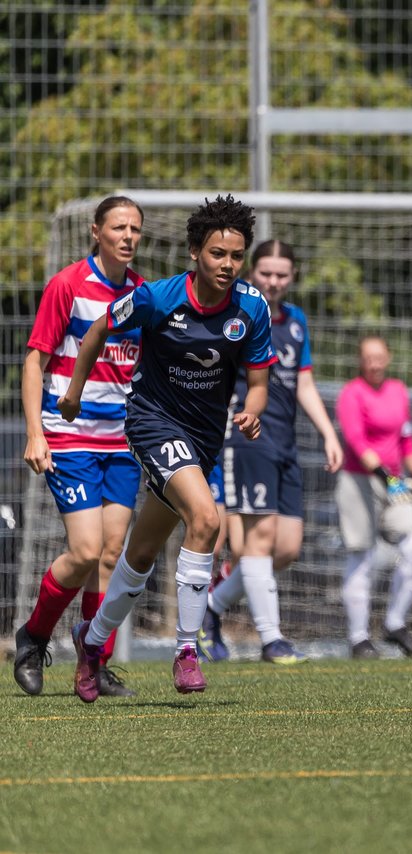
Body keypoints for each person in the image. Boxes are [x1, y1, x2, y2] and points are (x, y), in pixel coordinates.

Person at [58, 194, 275, 703]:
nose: (228, 265)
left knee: (141, 551)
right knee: (206, 519)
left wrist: (254, 409)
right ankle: (187, 650)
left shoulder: (252, 308)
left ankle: (90, 644)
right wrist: (74, 392)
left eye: (236, 256)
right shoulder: (159, 297)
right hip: (151, 423)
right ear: (196, 252)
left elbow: (259, 381)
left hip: (201, 439)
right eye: (218, 254)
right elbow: (96, 331)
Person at [12, 195, 146, 699]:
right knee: (86, 550)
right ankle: (34, 636)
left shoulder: (142, 293)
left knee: (111, 553)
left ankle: (94, 664)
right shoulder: (67, 285)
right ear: (96, 232)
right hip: (69, 436)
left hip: (121, 441)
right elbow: (33, 362)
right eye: (118, 227)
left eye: (135, 228)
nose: (128, 236)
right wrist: (35, 432)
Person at [198, 239, 343, 664]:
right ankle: (272, 639)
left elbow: (304, 383)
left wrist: (329, 434)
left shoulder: (296, 322)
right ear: (250, 272)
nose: (273, 281)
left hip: (285, 443)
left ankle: (213, 605)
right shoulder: (236, 314)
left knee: (287, 549)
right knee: (257, 542)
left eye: (281, 274)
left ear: (292, 277)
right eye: (266, 273)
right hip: (247, 438)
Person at [335, 334, 412, 659]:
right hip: (359, 480)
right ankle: (359, 638)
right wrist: (386, 475)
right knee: (361, 556)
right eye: (367, 357)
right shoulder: (352, 394)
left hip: (394, 482)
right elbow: (357, 442)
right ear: (360, 361)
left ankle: (394, 623)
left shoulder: (398, 391)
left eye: (379, 356)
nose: (374, 363)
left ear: (388, 357)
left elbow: (406, 440)